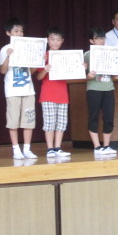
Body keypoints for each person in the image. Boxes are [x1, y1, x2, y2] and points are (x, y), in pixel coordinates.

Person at [0, 18, 38, 160]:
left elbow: (31, 71)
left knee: (29, 121)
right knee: (13, 121)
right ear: (8, 33)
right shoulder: (5, 49)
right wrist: (9, 57)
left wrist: (36, 60)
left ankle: (27, 149)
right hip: (12, 91)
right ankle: (16, 149)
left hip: (28, 90)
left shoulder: (28, 48)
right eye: (16, 31)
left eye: (21, 31)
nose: (20, 34)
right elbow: (2, 70)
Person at [84, 27, 118, 156]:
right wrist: (87, 75)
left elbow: (114, 74)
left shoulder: (110, 53)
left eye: (102, 38)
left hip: (108, 88)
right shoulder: (87, 55)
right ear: (91, 40)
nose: (101, 41)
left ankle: (106, 145)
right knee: (93, 116)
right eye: (98, 38)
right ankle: (97, 146)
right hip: (94, 89)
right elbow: (81, 74)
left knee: (109, 117)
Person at [36, 27, 71, 158]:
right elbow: (38, 77)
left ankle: (57, 148)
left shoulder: (67, 57)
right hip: (48, 94)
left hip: (62, 94)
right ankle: (50, 149)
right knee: (49, 123)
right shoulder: (44, 56)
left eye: (58, 39)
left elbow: (72, 75)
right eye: (52, 39)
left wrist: (80, 67)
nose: (55, 42)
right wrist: (45, 70)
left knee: (61, 123)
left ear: (62, 41)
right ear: (47, 40)